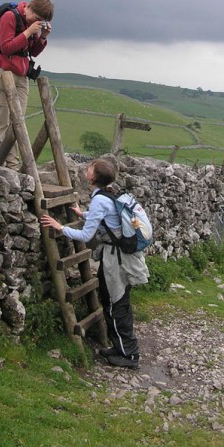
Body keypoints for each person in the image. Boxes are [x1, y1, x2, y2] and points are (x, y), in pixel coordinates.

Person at [40, 158, 149, 369]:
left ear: (94, 176)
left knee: (116, 303)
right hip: (119, 257)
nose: (87, 169)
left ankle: (129, 354)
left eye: (90, 167)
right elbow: (110, 217)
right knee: (114, 301)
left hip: (116, 261)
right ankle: (120, 348)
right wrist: (85, 214)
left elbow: (85, 234)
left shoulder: (100, 199)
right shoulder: (110, 192)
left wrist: (60, 227)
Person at [0, 0, 54, 169]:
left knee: (18, 122)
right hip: (3, 73)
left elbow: (32, 51)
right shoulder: (9, 17)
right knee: (0, 122)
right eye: (38, 18)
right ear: (30, 8)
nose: (38, 22)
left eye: (42, 21)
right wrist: (29, 32)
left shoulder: (29, 24)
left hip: (22, 76)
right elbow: (6, 47)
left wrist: (42, 37)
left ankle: (13, 166)